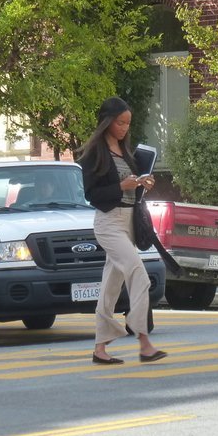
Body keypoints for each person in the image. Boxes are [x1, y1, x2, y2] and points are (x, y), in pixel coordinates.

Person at [77, 96, 167, 365]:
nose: (125, 128)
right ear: (107, 122)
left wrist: (142, 183)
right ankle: (143, 341)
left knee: (111, 286)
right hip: (109, 222)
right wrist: (123, 186)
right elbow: (92, 194)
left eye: (128, 123)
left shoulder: (126, 152)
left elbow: (131, 186)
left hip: (128, 221)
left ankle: (100, 349)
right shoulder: (93, 153)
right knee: (139, 274)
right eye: (120, 122)